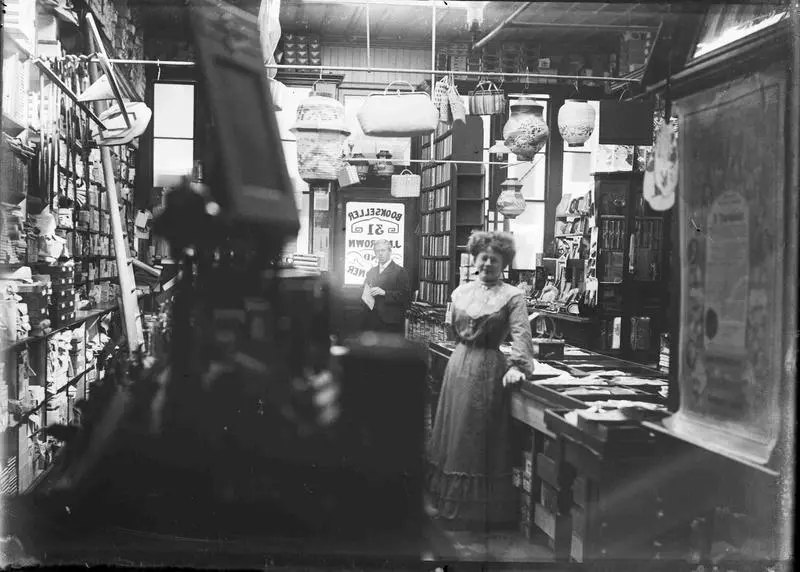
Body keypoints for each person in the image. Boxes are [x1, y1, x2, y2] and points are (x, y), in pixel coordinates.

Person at [427, 231, 535, 531]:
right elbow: (451, 329)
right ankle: (449, 504)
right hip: (458, 366)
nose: (488, 263)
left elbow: (521, 335)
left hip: (488, 369)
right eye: (483, 258)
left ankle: (477, 513)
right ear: (474, 259)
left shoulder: (512, 296)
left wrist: (519, 366)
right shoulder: (460, 292)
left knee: (477, 436)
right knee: (454, 432)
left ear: (504, 264)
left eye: (494, 259)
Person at [361, 239, 411, 334]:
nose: (380, 254)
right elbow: (364, 290)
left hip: (391, 323)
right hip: (372, 321)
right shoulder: (371, 272)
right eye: (377, 251)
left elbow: (406, 296)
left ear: (390, 252)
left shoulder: (400, 271)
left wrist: (384, 293)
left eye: (383, 250)